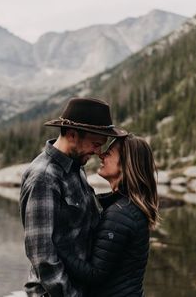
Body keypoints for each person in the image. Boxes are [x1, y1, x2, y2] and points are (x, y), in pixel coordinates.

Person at [20, 97, 128, 297]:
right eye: (95, 144)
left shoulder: (75, 166)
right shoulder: (44, 177)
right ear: (71, 134)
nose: (97, 152)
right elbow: (42, 256)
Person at [57, 134, 160, 297]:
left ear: (125, 164)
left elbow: (94, 274)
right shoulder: (128, 208)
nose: (101, 155)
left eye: (109, 152)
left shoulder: (120, 214)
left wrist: (58, 244)